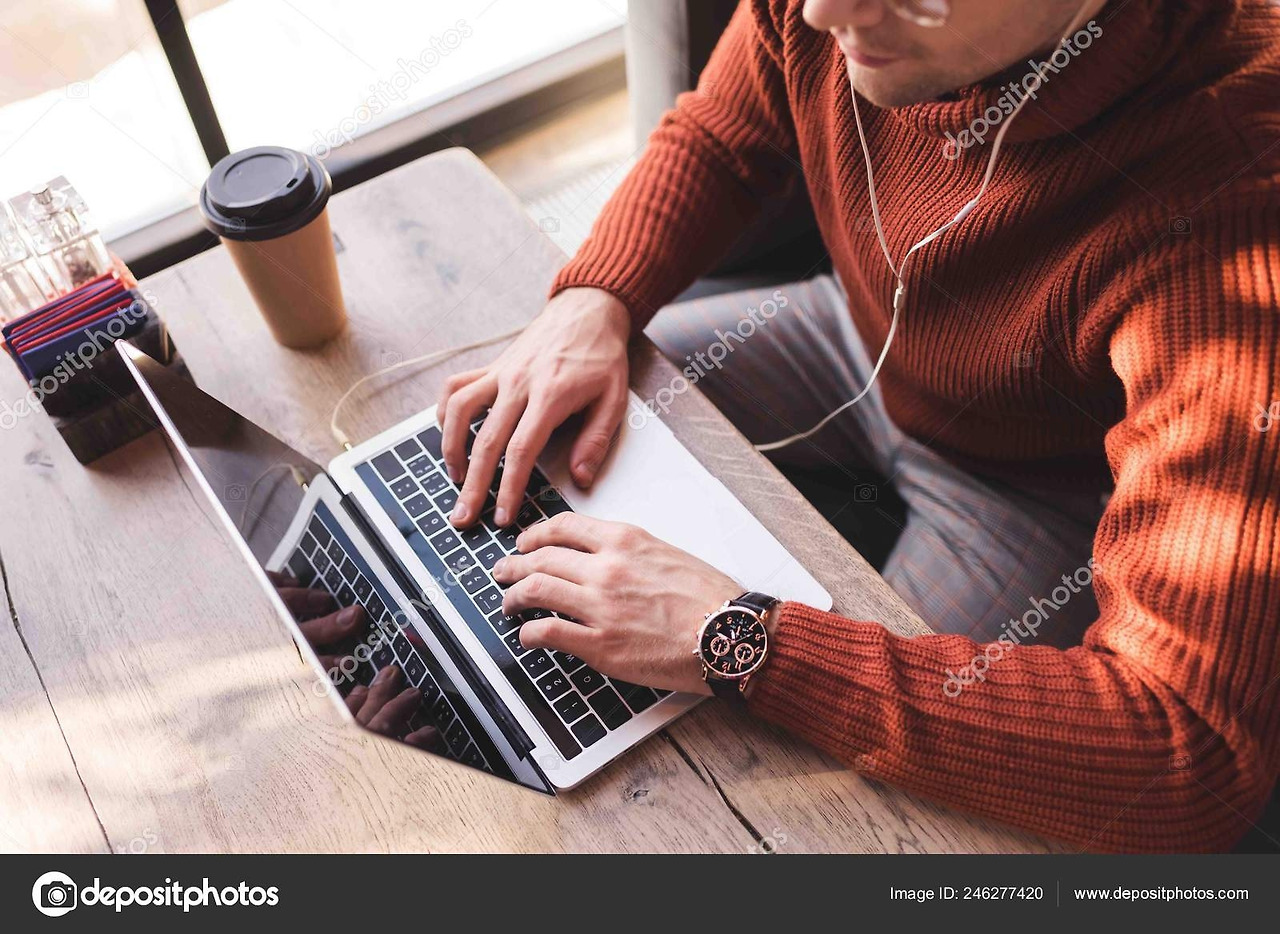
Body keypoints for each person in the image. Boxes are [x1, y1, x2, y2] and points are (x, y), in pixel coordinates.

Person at [438, 0, 1280, 851]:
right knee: (494, 460)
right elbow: (726, 133)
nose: (821, 12)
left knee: (782, 813)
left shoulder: (1237, 210)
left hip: (1029, 485)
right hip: (853, 334)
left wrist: (738, 638)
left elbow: (1186, 755)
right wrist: (596, 299)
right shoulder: (828, 6)